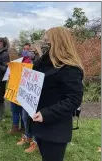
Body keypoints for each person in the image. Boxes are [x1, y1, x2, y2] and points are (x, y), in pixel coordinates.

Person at [29, 27, 84, 161]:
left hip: (55, 128)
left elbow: (73, 99)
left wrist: (46, 114)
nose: (44, 45)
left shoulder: (70, 68)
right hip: (39, 123)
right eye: (44, 41)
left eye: (48, 42)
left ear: (58, 42)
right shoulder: (44, 64)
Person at [15, 41, 44, 153]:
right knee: (25, 117)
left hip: (37, 95)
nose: (27, 52)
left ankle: (36, 142)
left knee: (34, 119)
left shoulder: (42, 59)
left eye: (31, 50)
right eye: (27, 50)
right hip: (27, 93)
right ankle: (28, 136)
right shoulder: (26, 60)